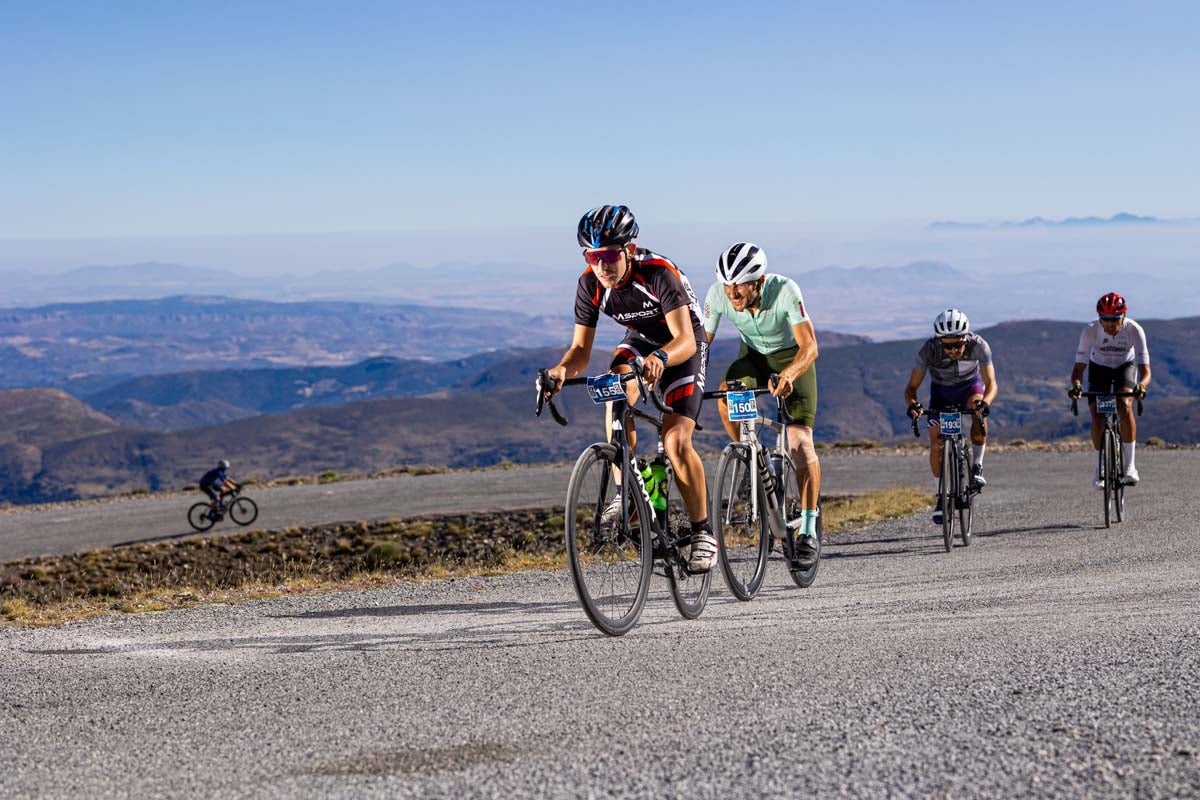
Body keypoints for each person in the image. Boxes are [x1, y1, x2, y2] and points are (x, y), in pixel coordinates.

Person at [541, 205, 717, 572]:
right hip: (639, 340)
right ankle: (628, 494)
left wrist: (662, 360)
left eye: (608, 256)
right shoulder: (589, 284)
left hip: (683, 346)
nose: (601, 266)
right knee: (614, 389)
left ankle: (703, 532)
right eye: (592, 256)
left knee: (675, 442)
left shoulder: (658, 274)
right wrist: (559, 371)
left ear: (629, 250)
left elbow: (685, 339)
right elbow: (580, 351)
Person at [702, 242, 819, 565]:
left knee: (799, 443)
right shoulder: (717, 295)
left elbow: (810, 347)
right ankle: (748, 455)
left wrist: (791, 373)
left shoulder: (784, 291)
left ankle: (808, 529)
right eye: (727, 284)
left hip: (792, 357)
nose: (732, 292)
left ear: (758, 281)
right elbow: (700, 347)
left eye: (739, 284)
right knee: (727, 395)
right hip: (753, 358)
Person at [904, 309, 998, 524]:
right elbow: (910, 388)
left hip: (970, 387)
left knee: (977, 409)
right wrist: (913, 405)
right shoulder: (929, 350)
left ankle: (978, 465)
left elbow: (991, 384)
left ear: (966, 338)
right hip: (942, 392)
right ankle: (941, 496)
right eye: (948, 346)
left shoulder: (979, 345)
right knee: (936, 444)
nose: (953, 350)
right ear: (940, 342)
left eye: (958, 344)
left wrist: (986, 403)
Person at [1067, 292, 1151, 487]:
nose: (1110, 324)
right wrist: (1077, 386)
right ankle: (1099, 468)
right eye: (1105, 319)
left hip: (1125, 367)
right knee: (1097, 415)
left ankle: (1130, 466)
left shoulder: (1134, 330)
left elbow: (1145, 371)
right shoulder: (1090, 331)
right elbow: (1078, 369)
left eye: (1114, 319)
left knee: (1124, 404)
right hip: (1100, 369)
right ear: (1099, 318)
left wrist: (1141, 387)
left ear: (1123, 316)